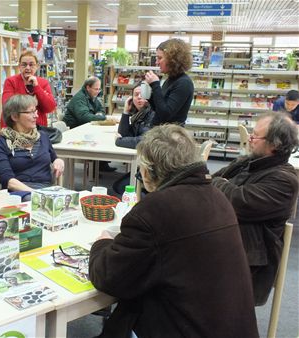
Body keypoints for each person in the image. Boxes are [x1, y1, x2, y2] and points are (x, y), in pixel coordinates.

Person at [89, 125, 258, 338]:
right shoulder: (217, 196)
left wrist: (101, 243)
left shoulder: (156, 209)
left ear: (148, 171)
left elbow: (108, 276)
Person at [212, 111, 298, 306]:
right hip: (224, 244)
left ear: (274, 145)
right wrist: (220, 184)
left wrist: (220, 184)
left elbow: (236, 201)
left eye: (255, 136)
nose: (250, 139)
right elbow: (209, 182)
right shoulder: (249, 162)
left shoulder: (284, 181)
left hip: (245, 264)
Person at [0, 95, 64, 201]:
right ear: (14, 117)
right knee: (32, 201)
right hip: (18, 192)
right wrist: (36, 194)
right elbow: (8, 181)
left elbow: (54, 157)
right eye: (30, 112)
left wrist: (59, 161)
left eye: (35, 111)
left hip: (46, 189)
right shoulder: (1, 142)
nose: (36, 116)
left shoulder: (42, 136)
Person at [64, 77, 115, 172]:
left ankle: (101, 164)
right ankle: (94, 168)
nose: (98, 91)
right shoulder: (80, 98)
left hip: (86, 127)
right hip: (76, 130)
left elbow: (101, 109)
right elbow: (84, 117)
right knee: (99, 138)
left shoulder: (91, 97)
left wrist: (99, 114)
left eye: (99, 89)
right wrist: (104, 118)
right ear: (88, 87)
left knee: (103, 136)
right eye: (96, 89)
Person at [113, 83, 154, 194]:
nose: (139, 97)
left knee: (120, 187)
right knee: (118, 186)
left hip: (155, 167)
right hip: (146, 163)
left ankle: (149, 200)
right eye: (136, 95)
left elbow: (144, 141)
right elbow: (124, 133)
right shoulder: (139, 114)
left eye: (142, 94)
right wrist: (126, 111)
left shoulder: (152, 114)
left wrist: (119, 141)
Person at [144, 38, 194, 126]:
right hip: (162, 132)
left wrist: (155, 85)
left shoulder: (184, 83)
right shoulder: (171, 79)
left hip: (169, 135)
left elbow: (165, 114)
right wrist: (149, 94)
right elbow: (159, 108)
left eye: (160, 58)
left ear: (172, 59)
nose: (157, 62)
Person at [1, 50, 56, 128]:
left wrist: (37, 87)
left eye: (31, 65)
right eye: (24, 65)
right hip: (15, 129)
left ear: (37, 66)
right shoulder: (11, 82)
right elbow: (8, 106)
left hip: (38, 129)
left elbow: (50, 107)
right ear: (19, 66)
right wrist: (35, 103)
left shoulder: (43, 83)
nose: (27, 68)